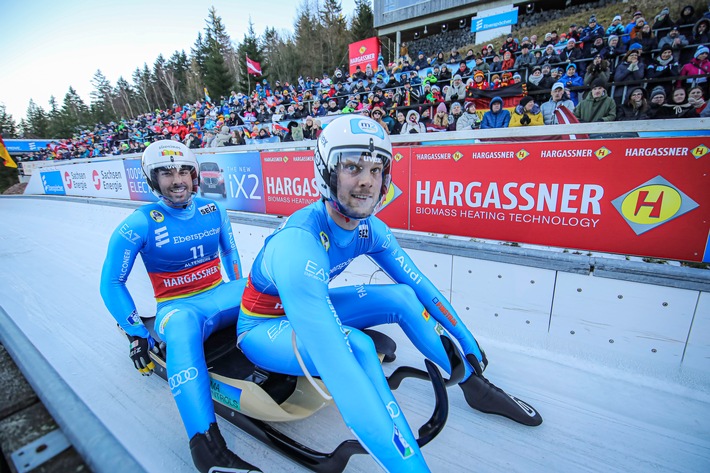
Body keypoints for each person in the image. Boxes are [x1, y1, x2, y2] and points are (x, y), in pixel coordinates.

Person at [236, 115, 541, 473]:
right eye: (352, 166)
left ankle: (476, 388)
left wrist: (467, 343)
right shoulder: (299, 242)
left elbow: (419, 285)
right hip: (261, 328)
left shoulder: (369, 229)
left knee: (402, 298)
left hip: (304, 307)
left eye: (376, 168)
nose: (366, 180)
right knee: (357, 347)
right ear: (327, 172)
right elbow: (338, 364)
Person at [100, 140, 262, 473]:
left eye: (184, 172)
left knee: (273, 281)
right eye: (166, 173)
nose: (177, 180)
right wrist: (136, 333)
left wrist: (247, 301)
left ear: (194, 175)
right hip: (178, 309)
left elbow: (230, 255)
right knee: (184, 327)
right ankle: (207, 449)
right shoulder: (139, 223)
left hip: (222, 294)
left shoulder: (212, 209)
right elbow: (111, 282)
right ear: (152, 179)